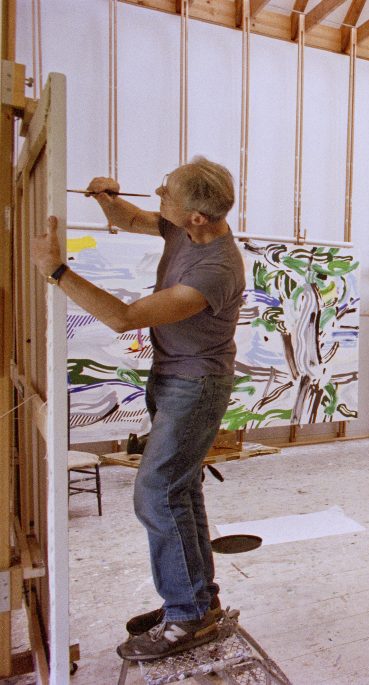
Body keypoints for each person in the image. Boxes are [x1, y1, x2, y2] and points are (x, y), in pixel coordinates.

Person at [30, 157, 245, 661]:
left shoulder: (216, 269)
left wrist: (56, 270)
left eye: (165, 192)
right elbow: (131, 218)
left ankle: (187, 615)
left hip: (196, 386)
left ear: (197, 217)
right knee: (179, 487)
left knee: (156, 490)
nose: (157, 196)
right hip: (174, 377)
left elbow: (124, 317)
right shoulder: (184, 229)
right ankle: (195, 600)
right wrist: (107, 198)